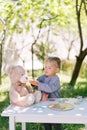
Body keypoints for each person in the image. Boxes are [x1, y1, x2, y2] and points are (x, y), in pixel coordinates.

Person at [29, 56, 62, 130]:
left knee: (56, 120)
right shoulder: (43, 77)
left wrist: (38, 84)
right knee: (46, 119)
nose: (46, 69)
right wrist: (33, 83)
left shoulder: (56, 79)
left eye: (49, 68)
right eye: (45, 67)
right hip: (44, 102)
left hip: (55, 103)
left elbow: (50, 88)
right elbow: (37, 84)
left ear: (57, 70)